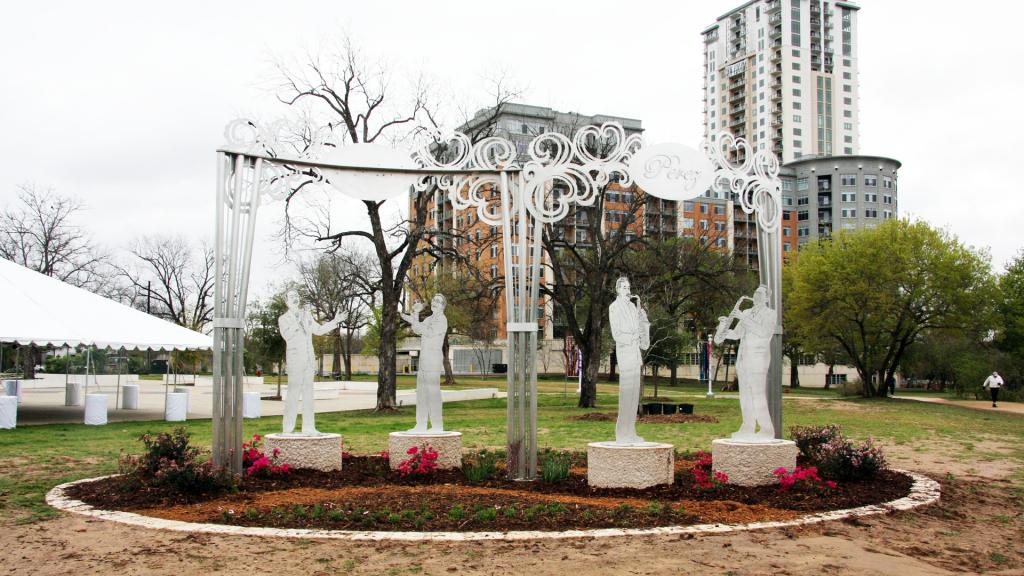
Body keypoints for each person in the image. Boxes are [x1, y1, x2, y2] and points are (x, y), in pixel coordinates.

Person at [714, 285, 776, 441]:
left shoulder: (770, 314)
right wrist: (723, 326)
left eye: (760, 294)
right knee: (745, 396)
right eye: (755, 293)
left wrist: (742, 318)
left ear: (767, 298)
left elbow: (763, 332)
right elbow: (736, 334)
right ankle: (747, 426)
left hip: (758, 360)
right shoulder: (747, 313)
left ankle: (766, 429)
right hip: (744, 360)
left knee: (758, 394)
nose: (756, 296)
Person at [278, 290, 343, 435]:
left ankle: (309, 427)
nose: (295, 298)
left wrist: (335, 321)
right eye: (292, 296)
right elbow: (287, 336)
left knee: (308, 394)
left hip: (308, 359)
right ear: (287, 301)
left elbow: (318, 330)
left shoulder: (306, 315)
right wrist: (297, 322)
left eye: (297, 296)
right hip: (295, 360)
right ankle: (288, 429)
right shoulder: (283, 319)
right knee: (293, 394)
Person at [608, 277, 650, 445]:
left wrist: (642, 320)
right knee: (626, 395)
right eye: (624, 287)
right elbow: (616, 334)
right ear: (618, 289)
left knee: (634, 396)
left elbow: (640, 327)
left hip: (635, 354)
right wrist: (632, 337)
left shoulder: (633, 307)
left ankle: (631, 431)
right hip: (625, 352)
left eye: (628, 287)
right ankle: (622, 432)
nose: (627, 290)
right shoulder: (614, 307)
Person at [400, 294, 448, 433]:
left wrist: (415, 316)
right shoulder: (429, 318)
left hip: (433, 360)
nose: (434, 302)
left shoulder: (441, 320)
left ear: (443, 305)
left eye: (438, 301)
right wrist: (415, 313)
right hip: (424, 360)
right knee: (421, 393)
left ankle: (437, 426)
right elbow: (417, 328)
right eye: (433, 300)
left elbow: (425, 330)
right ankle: (421, 424)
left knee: (433, 392)